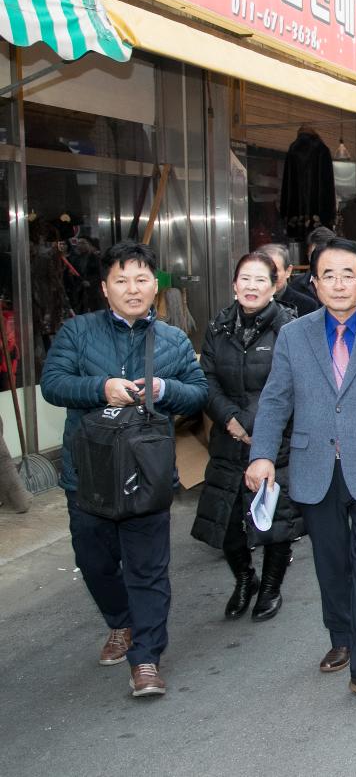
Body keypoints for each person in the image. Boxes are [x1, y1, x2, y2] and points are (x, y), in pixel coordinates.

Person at [246, 238, 356, 700]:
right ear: (314, 282)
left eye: (350, 274)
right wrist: (262, 454)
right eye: (330, 275)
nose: (340, 283)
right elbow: (276, 400)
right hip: (315, 466)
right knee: (331, 563)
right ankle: (341, 637)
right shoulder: (293, 334)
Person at [40, 241, 207, 698]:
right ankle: (121, 621)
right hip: (89, 472)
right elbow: (52, 385)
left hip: (148, 474)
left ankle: (147, 659)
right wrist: (101, 387)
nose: (133, 289)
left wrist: (165, 387)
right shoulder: (77, 333)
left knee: (148, 568)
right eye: (122, 280)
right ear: (104, 288)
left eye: (141, 280)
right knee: (93, 561)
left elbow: (198, 393)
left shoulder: (172, 340)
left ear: (155, 285)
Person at [192, 253, 303, 622]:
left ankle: (270, 587)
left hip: (276, 441)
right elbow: (204, 380)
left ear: (275, 286)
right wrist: (230, 421)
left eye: (261, 280)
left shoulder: (290, 328)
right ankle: (245, 578)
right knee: (225, 519)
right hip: (229, 437)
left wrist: (261, 430)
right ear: (235, 284)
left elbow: (293, 387)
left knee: (275, 518)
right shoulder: (218, 326)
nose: (252, 286)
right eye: (245, 279)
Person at [258, 243, 319, 316]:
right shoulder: (246, 301)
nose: (268, 276)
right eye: (263, 270)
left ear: (288, 271)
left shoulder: (307, 305)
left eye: (275, 270)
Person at [287, 226, 336, 308]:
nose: (320, 261)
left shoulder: (345, 284)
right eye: (315, 255)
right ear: (308, 254)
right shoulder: (295, 286)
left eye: (325, 255)